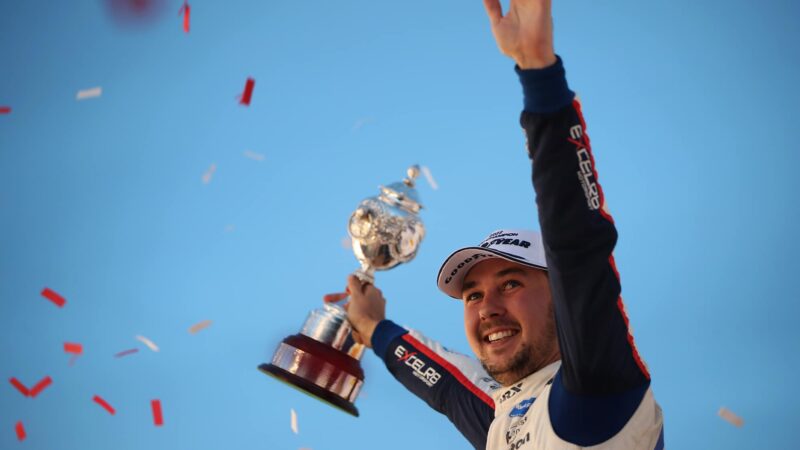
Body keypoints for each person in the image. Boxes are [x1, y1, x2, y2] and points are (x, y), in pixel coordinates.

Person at [325, 0, 664, 448]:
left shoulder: (595, 393)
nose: (487, 308)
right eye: (472, 294)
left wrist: (539, 72)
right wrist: (373, 329)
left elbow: (574, 239)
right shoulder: (504, 420)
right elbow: (446, 385)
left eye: (511, 284)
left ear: (563, 298)